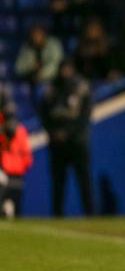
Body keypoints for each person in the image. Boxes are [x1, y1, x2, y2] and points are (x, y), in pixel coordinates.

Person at [40, 61, 94, 217]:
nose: (66, 72)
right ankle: (57, 214)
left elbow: (85, 116)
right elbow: (43, 115)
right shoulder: (51, 90)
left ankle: (90, 213)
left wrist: (69, 133)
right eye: (63, 69)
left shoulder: (81, 88)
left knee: (84, 180)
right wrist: (53, 132)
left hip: (77, 142)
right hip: (57, 144)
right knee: (58, 182)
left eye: (68, 68)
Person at [0, 105, 32, 219]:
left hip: (6, 175)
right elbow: (28, 158)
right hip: (17, 176)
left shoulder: (4, 131)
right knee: (16, 211)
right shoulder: (21, 131)